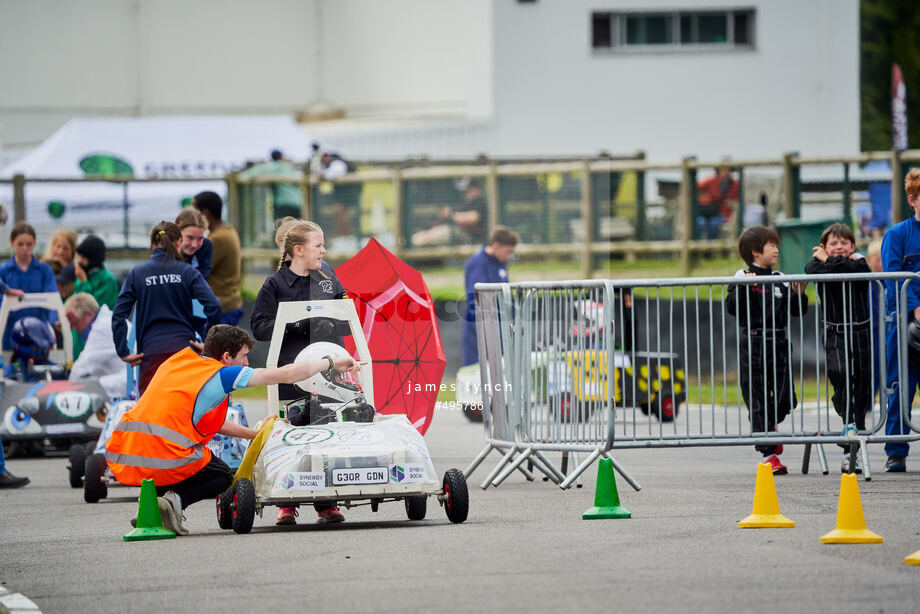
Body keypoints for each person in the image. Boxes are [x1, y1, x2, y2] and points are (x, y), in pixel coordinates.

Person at [105, 324, 362, 536]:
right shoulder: (221, 375)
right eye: (243, 356)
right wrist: (329, 362)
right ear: (227, 357)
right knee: (222, 476)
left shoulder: (176, 364)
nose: (247, 362)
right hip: (164, 457)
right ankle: (173, 502)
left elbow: (211, 423)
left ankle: (156, 504)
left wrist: (256, 433)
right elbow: (286, 374)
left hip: (128, 454)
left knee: (193, 459)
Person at [251, 219, 351, 525]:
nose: (324, 250)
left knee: (327, 435)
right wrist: (297, 324)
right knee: (291, 435)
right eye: (318, 245)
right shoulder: (275, 284)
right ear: (298, 250)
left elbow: (348, 317)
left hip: (327, 371)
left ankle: (326, 503)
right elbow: (259, 326)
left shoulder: (328, 277)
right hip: (291, 372)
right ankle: (287, 503)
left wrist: (333, 321)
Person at [726, 226, 808, 474]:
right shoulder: (742, 276)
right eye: (771, 245)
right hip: (753, 344)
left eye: (776, 244)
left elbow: (797, 312)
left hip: (780, 344)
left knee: (786, 398)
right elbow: (732, 309)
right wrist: (743, 288)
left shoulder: (781, 278)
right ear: (755, 251)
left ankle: (768, 427)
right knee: (757, 399)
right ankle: (769, 454)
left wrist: (798, 294)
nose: (776, 248)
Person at [111, 221, 221, 396]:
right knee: (186, 410)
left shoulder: (137, 273)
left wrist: (123, 351)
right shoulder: (187, 272)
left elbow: (119, 314)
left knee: (150, 413)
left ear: (151, 245)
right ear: (178, 243)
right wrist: (208, 342)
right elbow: (213, 306)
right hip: (184, 352)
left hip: (151, 353)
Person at [804, 223, 872, 473]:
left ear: (853, 246)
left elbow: (854, 269)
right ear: (823, 247)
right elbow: (811, 270)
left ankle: (855, 441)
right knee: (840, 377)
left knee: (862, 383)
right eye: (833, 243)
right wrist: (823, 261)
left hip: (860, 331)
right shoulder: (816, 264)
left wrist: (829, 260)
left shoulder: (859, 262)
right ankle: (849, 427)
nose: (840, 247)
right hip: (835, 333)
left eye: (844, 243)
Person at [880, 168, 920, 473]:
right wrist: (915, 308)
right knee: (899, 385)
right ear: (912, 200)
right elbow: (893, 279)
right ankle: (896, 451)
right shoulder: (897, 234)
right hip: (904, 324)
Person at [462, 227, 519, 367]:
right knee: (479, 371)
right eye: (508, 251)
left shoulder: (500, 263)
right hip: (480, 327)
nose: (509, 256)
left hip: (499, 324)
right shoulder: (477, 263)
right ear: (496, 246)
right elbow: (476, 298)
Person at [0, 222, 57, 349]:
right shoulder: (3, 272)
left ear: (35, 243)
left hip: (38, 336)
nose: (25, 248)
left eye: (29, 244)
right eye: (20, 244)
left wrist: (55, 322)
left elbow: (53, 298)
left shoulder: (45, 271)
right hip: (8, 337)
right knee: (12, 367)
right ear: (12, 243)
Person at [192, 191, 244, 326]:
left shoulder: (217, 239)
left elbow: (194, 273)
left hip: (221, 308)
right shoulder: (228, 230)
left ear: (205, 213)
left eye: (194, 211)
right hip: (229, 304)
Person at [65, 293, 127, 399]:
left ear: (89, 315)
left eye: (75, 323)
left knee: (82, 387)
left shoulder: (102, 328)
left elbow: (79, 370)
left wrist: (64, 392)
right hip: (126, 375)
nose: (74, 329)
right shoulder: (108, 320)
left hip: (128, 382)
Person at [412, 177, 488, 247]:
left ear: (476, 189)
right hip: (455, 231)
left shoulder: (480, 201)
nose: (465, 194)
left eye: (468, 190)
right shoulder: (468, 203)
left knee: (422, 239)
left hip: (467, 236)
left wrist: (451, 214)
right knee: (418, 236)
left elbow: (473, 217)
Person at [3, 316, 56, 381]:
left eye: (43, 347)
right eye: (36, 348)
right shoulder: (13, 370)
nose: (41, 351)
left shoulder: (57, 369)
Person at [696, 164, 739, 240]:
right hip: (707, 211)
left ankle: (710, 249)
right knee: (699, 224)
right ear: (718, 171)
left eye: (728, 170)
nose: (725, 172)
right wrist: (704, 198)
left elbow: (737, 199)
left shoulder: (735, 184)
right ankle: (697, 248)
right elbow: (695, 187)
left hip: (722, 213)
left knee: (714, 225)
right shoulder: (711, 180)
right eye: (723, 170)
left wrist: (731, 203)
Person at [43, 228, 78, 299]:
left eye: (65, 248)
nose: (60, 251)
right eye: (58, 247)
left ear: (73, 251)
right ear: (52, 247)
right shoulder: (44, 266)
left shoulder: (77, 270)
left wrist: (66, 268)